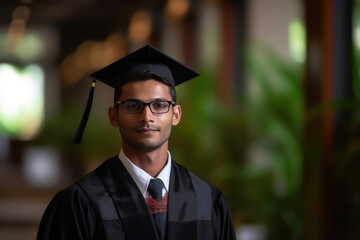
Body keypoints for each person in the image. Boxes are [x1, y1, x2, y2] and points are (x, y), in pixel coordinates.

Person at [37, 45, 236, 240]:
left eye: (159, 105)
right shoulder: (82, 203)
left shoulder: (208, 201)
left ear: (175, 115)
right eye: (133, 105)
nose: (147, 116)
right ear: (114, 116)